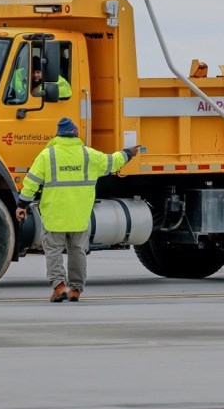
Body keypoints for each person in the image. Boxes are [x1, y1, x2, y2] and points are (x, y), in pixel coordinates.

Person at [15, 117, 139, 302]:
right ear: (76, 135)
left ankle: (59, 287)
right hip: (79, 216)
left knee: (54, 252)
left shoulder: (47, 155)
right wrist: (128, 152)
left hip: (55, 216)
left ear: (58, 135)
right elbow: (112, 162)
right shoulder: (89, 155)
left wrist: (22, 205)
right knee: (77, 252)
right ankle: (75, 290)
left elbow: (31, 182)